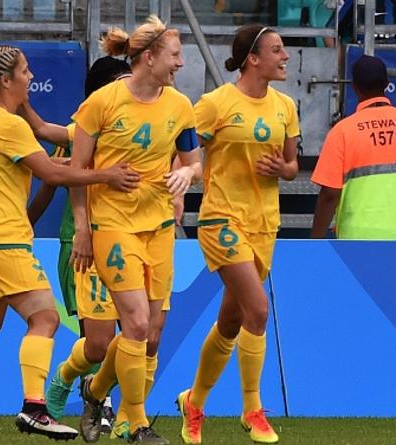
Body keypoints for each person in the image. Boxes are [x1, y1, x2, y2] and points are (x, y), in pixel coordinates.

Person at [0, 44, 140, 442]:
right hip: (3, 240)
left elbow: (50, 166)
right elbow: (52, 176)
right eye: (25, 71)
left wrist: (89, 170)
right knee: (46, 319)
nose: (31, 76)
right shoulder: (9, 125)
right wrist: (105, 176)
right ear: (7, 80)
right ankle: (35, 408)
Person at [70, 15, 202, 445]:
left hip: (159, 226)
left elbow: (194, 161)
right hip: (112, 226)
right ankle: (137, 424)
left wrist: (188, 175)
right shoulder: (102, 103)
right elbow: (77, 171)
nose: (181, 64)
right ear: (149, 58)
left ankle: (93, 391)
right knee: (137, 323)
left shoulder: (180, 106)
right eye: (176, 55)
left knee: (151, 333)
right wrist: (83, 229)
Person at [176, 24, 299, 445]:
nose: (285, 57)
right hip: (221, 220)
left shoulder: (285, 106)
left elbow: (292, 165)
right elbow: (185, 143)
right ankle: (252, 409)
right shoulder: (216, 104)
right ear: (253, 58)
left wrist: (284, 171)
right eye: (278, 50)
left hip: (264, 222)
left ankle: (193, 402)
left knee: (231, 321)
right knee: (259, 311)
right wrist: (187, 173)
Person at [22, 56, 133, 435]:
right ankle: (68, 380)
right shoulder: (83, 129)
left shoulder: (142, 126)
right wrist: (19, 97)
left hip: (134, 238)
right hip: (83, 242)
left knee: (138, 334)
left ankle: (123, 414)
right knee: (98, 342)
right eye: (122, 82)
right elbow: (44, 132)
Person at [311, 55, 396, 239]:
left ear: (354, 87)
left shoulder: (343, 131)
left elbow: (329, 194)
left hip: (359, 238)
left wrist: (315, 241)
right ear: (387, 84)